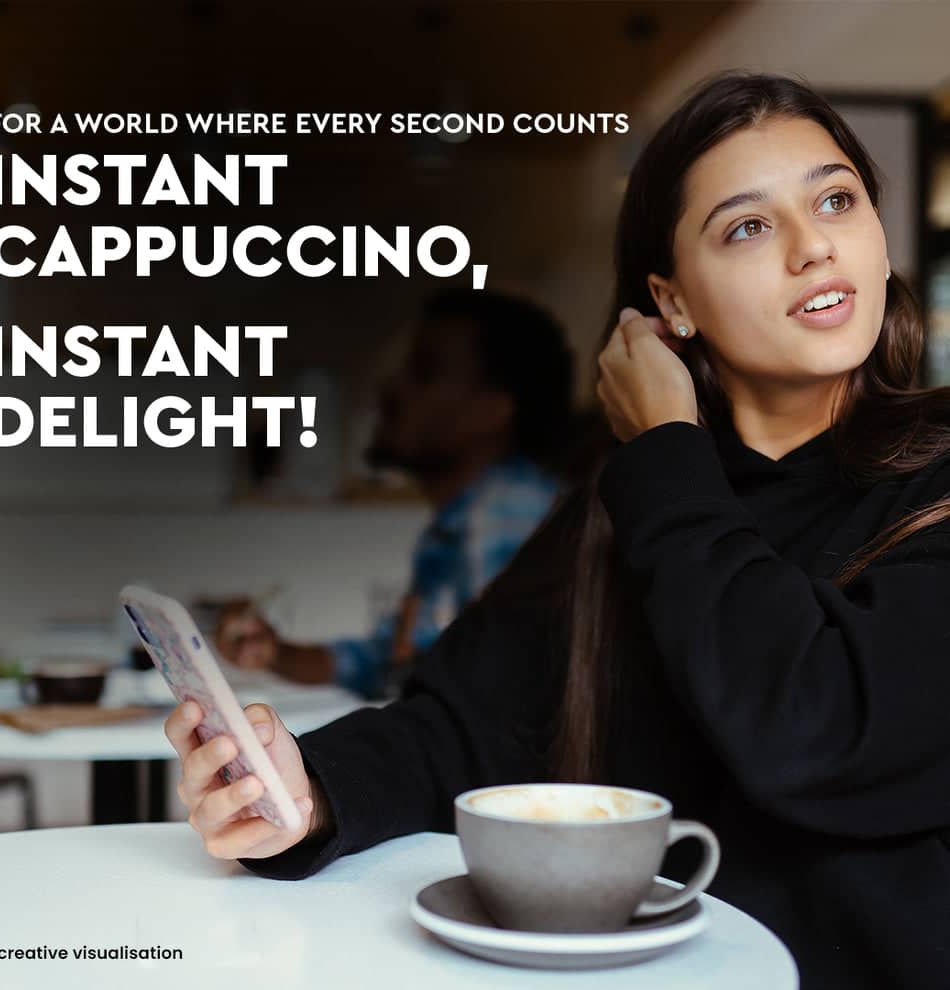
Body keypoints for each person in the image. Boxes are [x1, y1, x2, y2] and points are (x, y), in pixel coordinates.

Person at [164, 71, 950, 990]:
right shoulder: (629, 505)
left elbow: (818, 735)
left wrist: (665, 450)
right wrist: (306, 794)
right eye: (747, 226)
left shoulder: (910, 483)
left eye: (836, 200)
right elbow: (460, 728)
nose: (813, 246)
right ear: (673, 303)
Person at [215, 288, 573, 698]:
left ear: (492, 410)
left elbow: (509, 694)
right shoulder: (458, 524)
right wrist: (274, 653)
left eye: (424, 372)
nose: (392, 386)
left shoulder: (509, 512)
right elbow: (380, 662)